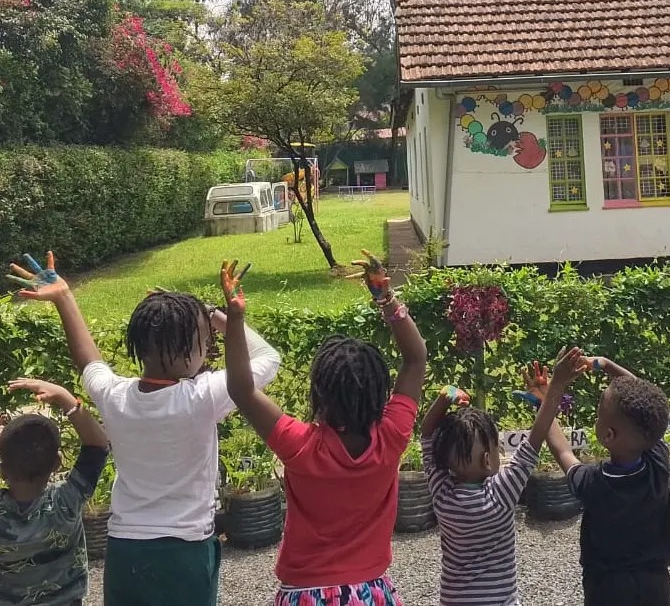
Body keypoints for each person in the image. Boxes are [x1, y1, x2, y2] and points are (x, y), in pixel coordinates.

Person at [7, 250, 281, 606]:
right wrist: (220, 317)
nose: (210, 347)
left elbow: (88, 359)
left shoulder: (115, 395)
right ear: (188, 352)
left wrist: (63, 296)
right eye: (204, 340)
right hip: (186, 551)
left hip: (125, 551)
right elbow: (267, 359)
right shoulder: (204, 395)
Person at [222, 250, 428, 606]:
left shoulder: (301, 445)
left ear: (320, 393)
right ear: (379, 392)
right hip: (372, 591)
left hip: (306, 593)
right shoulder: (391, 437)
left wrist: (236, 318)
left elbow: (242, 390)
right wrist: (385, 296)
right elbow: (416, 357)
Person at [420, 349, 587, 606]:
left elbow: (427, 435)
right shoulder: (501, 494)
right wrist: (556, 385)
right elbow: (536, 437)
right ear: (488, 460)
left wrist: (445, 398)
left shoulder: (441, 493)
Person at [542, 352, 670, 606]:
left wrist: (551, 391)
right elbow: (650, 408)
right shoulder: (657, 461)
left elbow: (562, 451)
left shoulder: (594, 482)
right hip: (655, 584)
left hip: (606, 587)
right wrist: (606, 364)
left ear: (608, 435)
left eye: (598, 416)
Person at [0, 377, 110, 606]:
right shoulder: (65, 503)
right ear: (57, 463)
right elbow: (98, 446)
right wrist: (64, 397)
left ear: (2, 470)